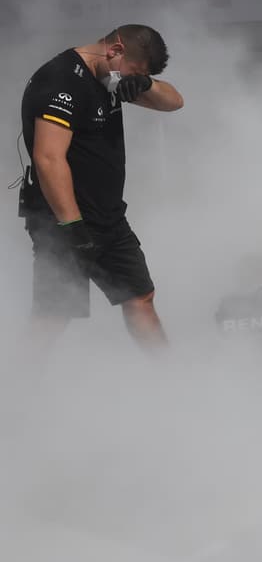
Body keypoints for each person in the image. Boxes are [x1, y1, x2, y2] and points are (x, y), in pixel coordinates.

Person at [17, 25, 183, 355]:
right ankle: (19, 380)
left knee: (140, 297)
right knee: (53, 315)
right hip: (62, 221)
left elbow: (174, 102)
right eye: (134, 72)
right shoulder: (60, 80)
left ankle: (171, 377)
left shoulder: (111, 75)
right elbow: (48, 158)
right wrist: (73, 227)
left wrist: (145, 84)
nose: (129, 80)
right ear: (115, 50)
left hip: (108, 217)